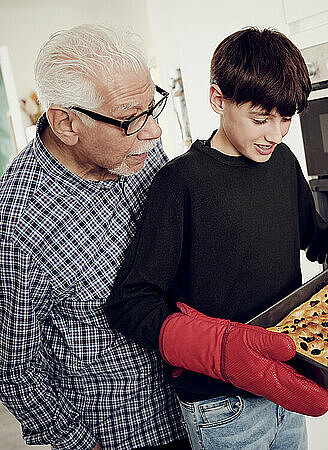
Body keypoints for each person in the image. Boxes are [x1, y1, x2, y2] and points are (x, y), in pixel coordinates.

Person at [104, 27, 328, 450]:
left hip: (289, 380)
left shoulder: (281, 161)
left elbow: (313, 236)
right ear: (218, 100)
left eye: (286, 118)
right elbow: (132, 301)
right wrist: (216, 349)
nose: (275, 134)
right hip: (222, 407)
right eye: (260, 119)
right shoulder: (179, 183)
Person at [0, 25, 190, 450]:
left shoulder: (137, 147)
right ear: (66, 122)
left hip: (203, 406)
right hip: (127, 433)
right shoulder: (17, 224)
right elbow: (15, 366)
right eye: (132, 118)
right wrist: (81, 443)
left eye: (152, 108)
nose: (154, 133)